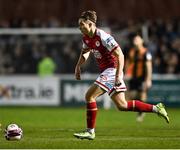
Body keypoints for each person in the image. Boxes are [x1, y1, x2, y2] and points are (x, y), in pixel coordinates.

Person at [73, 10, 169, 140]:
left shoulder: (103, 36)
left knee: (89, 96)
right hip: (107, 71)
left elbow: (120, 55)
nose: (79, 27)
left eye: (81, 24)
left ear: (90, 23)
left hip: (112, 70)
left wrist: (118, 75)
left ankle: (90, 132)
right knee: (122, 105)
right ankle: (156, 108)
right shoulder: (86, 38)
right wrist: (78, 66)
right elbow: (85, 52)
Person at [125, 35, 152, 122]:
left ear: (142, 41)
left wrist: (148, 79)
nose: (135, 40)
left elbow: (149, 66)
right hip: (133, 77)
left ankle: (141, 113)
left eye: (137, 39)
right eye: (134, 39)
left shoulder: (145, 52)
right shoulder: (131, 52)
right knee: (132, 95)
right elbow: (128, 63)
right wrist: (126, 73)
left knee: (142, 94)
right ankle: (141, 108)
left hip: (142, 78)